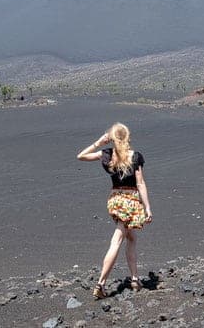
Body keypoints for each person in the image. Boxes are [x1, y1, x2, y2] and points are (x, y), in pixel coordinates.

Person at [76, 122, 153, 299]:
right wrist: (147, 207)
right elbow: (140, 183)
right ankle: (101, 284)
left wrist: (99, 143)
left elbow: (81, 156)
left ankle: (134, 279)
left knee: (131, 237)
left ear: (111, 137)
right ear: (127, 137)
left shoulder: (107, 155)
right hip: (130, 201)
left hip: (116, 200)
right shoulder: (135, 156)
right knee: (117, 240)